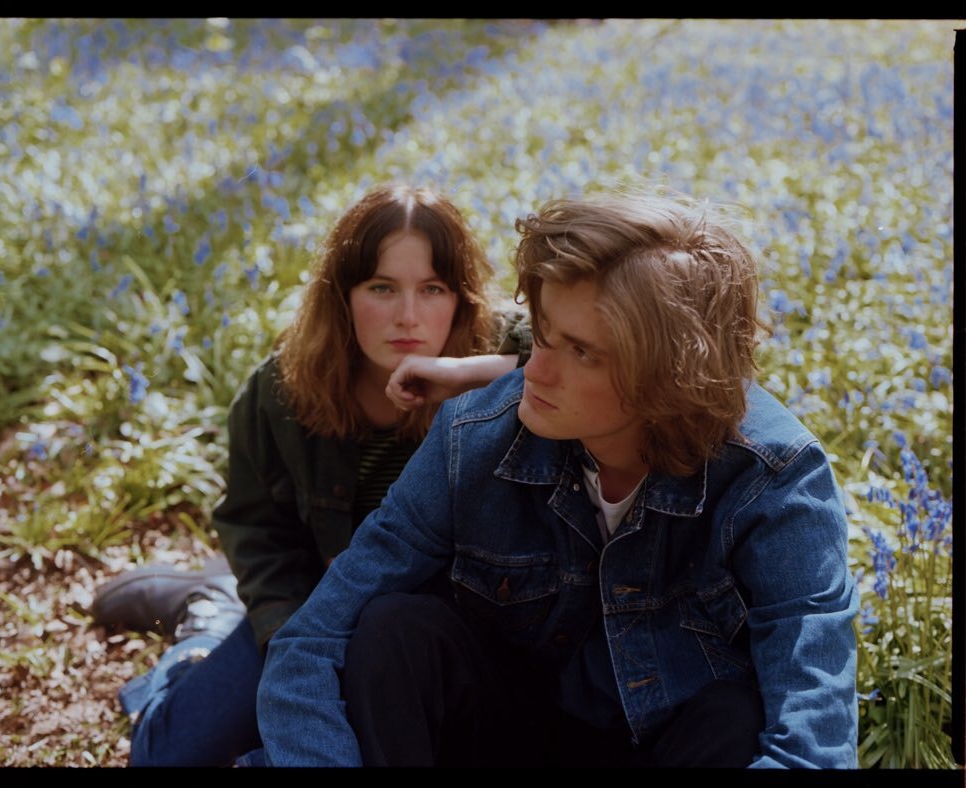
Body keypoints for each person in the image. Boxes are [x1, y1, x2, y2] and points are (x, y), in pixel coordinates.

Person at [255, 188, 861, 768]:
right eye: (542, 334)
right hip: (510, 736)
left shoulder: (773, 479)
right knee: (393, 630)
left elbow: (813, 745)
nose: (535, 372)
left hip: (664, 745)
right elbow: (310, 642)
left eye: (582, 351)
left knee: (735, 719)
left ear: (669, 376)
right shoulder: (473, 434)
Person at [91, 183, 532, 767]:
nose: (408, 315)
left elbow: (587, 350)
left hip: (422, 636)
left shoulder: (500, 356)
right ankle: (208, 616)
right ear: (343, 295)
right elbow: (256, 530)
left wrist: (472, 372)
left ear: (461, 297)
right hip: (310, 610)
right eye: (381, 288)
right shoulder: (282, 390)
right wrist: (292, 640)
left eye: (432, 289)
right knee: (167, 755)